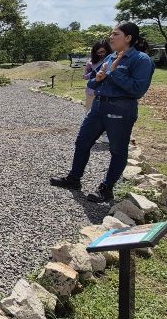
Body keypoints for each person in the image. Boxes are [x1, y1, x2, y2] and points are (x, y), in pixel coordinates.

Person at [50, 22, 155, 202]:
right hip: (99, 106)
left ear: (128, 38)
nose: (111, 38)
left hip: (121, 109)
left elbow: (138, 90)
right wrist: (97, 79)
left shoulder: (141, 59)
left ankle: (107, 188)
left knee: (117, 149)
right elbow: (92, 82)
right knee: (82, 142)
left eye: (115, 34)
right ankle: (74, 178)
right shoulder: (109, 57)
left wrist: (114, 73)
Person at [84, 41, 112, 144]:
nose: (100, 54)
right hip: (91, 91)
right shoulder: (91, 62)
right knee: (90, 112)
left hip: (105, 91)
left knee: (106, 113)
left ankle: (106, 135)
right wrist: (93, 74)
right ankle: (88, 133)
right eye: (98, 52)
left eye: (102, 51)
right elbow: (85, 76)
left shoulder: (111, 60)